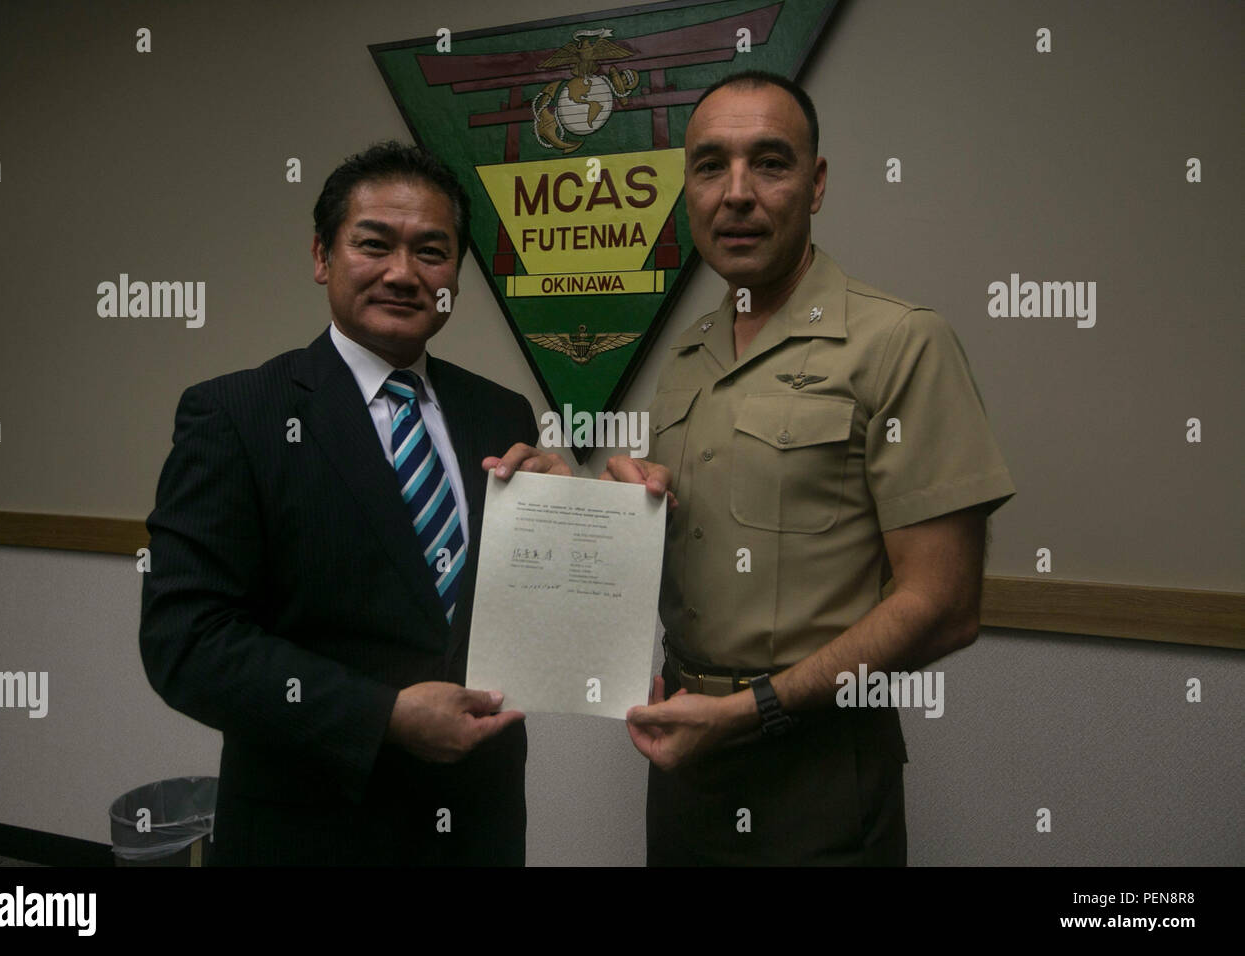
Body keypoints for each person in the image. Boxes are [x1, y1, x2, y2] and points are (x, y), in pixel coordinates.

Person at [608, 71, 1017, 864]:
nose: (736, 193)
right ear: (685, 188)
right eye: (709, 165)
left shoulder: (900, 342)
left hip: (818, 767)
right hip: (684, 754)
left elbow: (944, 605)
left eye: (770, 162)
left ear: (816, 183)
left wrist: (749, 712)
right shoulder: (687, 357)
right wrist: (587, 508)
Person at [139, 141, 567, 865]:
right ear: (321, 257)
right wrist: (384, 717)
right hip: (315, 829)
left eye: (432, 251)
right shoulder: (237, 415)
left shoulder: (502, 414)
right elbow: (187, 640)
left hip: (478, 821)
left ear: (455, 276)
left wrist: (566, 522)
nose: (404, 273)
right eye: (374, 244)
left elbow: (522, 616)